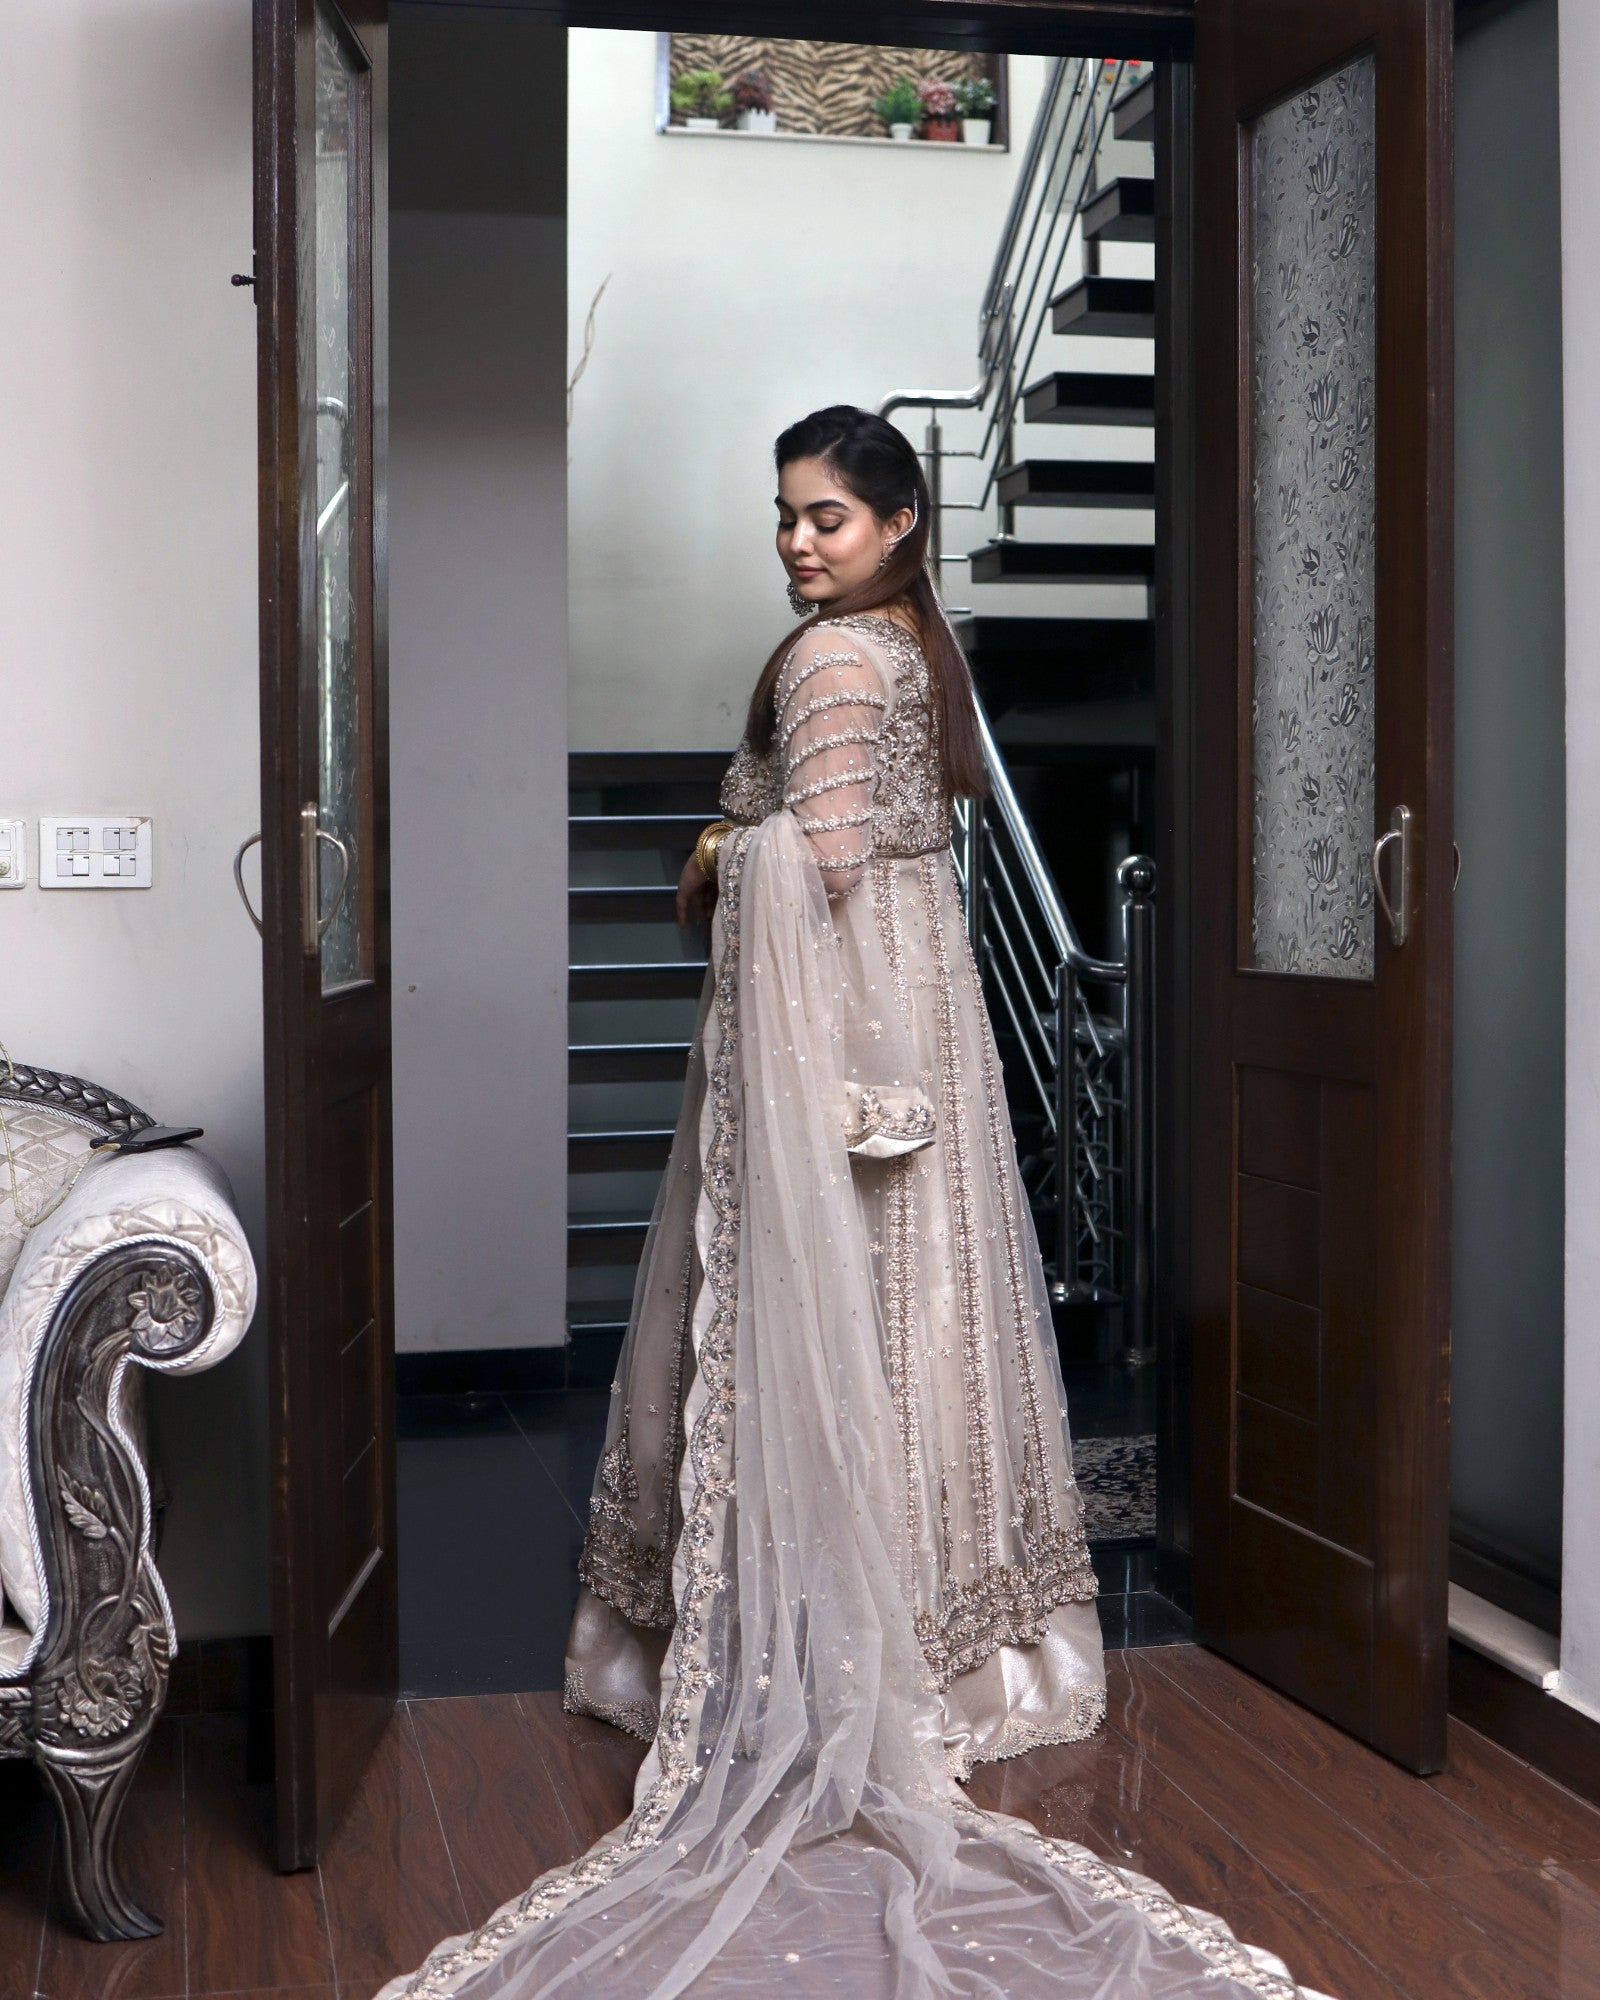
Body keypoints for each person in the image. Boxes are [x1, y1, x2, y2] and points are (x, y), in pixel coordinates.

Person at [375, 409, 1326, 2000]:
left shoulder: (832, 659)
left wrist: (715, 844)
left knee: (829, 1325)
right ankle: (958, 1636)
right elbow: (870, 856)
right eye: (786, 516)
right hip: (907, 1031)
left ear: (897, 525)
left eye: (827, 517)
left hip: (836, 1048)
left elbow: (808, 867)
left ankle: (812, 1639)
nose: (800, 542)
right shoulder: (913, 652)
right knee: (914, 1323)